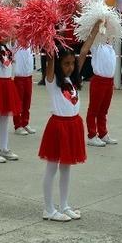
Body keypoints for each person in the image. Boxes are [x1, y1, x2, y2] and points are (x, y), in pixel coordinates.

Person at [38, 45, 87, 222]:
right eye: (66, 64)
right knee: (52, 168)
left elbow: (83, 52)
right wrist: (49, 36)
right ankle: (49, 208)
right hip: (58, 126)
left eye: (72, 63)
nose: (70, 67)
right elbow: (51, 57)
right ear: (58, 64)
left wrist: (96, 25)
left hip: (73, 125)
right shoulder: (52, 81)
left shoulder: (72, 80)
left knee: (66, 168)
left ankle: (64, 205)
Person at [79, 21, 118, 148]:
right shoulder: (96, 45)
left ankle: (103, 133)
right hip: (99, 80)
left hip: (109, 81)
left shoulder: (110, 45)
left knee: (104, 110)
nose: (105, 30)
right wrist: (97, 24)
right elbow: (91, 37)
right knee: (94, 109)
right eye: (103, 28)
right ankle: (91, 135)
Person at [12, 45, 36, 135]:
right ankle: (18, 125)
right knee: (18, 102)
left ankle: (25, 122)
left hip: (28, 76)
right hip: (19, 77)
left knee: (27, 101)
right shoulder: (16, 40)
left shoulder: (30, 41)